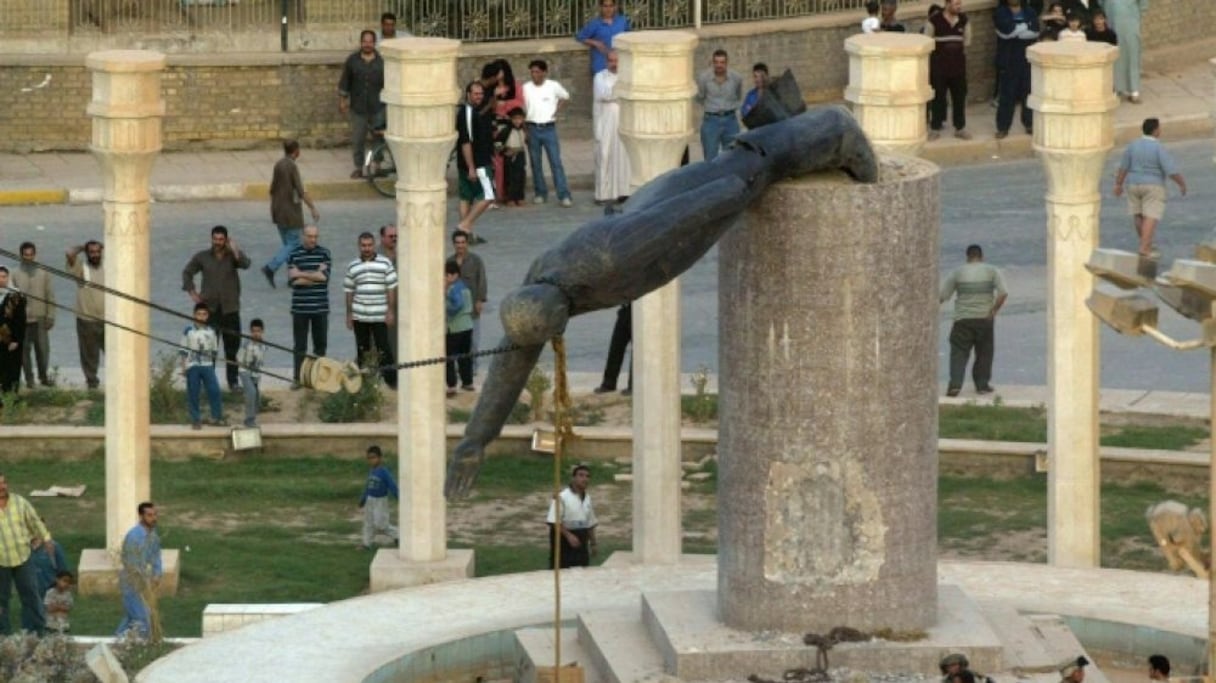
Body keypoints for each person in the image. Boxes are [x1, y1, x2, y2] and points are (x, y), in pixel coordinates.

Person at [445, 107, 878, 498]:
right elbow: (511, 363)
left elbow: (687, 210)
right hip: (656, 213)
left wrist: (738, 193)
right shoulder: (541, 287)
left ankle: (833, 130)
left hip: (683, 203)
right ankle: (780, 123)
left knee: (753, 165)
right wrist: (474, 441)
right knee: (743, 167)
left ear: (556, 317)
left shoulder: (609, 257)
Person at [182, 225, 250, 392]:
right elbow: (187, 272)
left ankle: (233, 382)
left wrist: (235, 249)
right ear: (211, 239)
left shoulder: (232, 257)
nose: (218, 243)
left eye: (221, 239)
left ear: (226, 239)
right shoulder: (203, 257)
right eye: (215, 239)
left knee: (232, 348)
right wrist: (192, 292)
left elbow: (246, 264)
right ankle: (208, 381)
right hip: (210, 311)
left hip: (230, 309)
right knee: (208, 348)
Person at [940, 244, 1007, 397]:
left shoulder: (957, 272)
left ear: (967, 257)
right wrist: (994, 311)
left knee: (959, 353)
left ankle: (955, 386)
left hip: (962, 319)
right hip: (984, 319)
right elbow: (1003, 293)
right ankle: (982, 385)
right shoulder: (992, 271)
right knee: (984, 353)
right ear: (982, 257)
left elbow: (942, 296)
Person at [1113, 118, 1187, 257]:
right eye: (1159, 128)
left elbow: (1123, 167)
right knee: (1151, 216)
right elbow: (1170, 170)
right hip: (1153, 185)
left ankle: (1146, 243)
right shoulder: (1158, 148)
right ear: (1155, 131)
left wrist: (1118, 184)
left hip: (1133, 184)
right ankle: (1144, 247)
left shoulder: (1133, 145)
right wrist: (1181, 184)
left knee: (1138, 214)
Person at [344, 231, 398, 390]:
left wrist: (390, 311)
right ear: (359, 246)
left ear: (374, 245)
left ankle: (391, 382)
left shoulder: (385, 263)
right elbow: (349, 291)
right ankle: (363, 383)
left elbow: (391, 288)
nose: (366, 248)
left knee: (384, 349)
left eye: (369, 245)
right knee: (362, 349)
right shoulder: (353, 265)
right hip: (360, 315)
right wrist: (349, 314)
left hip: (379, 315)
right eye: (363, 245)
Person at [263, 139, 320, 289]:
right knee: (294, 244)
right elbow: (301, 191)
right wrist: (312, 208)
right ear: (296, 151)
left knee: (288, 246)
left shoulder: (278, 165)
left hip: (277, 211)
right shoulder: (292, 167)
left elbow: (272, 188)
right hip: (291, 213)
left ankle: (293, 276)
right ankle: (271, 267)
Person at [0, 473, 53, 635]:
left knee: (31, 596)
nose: (2, 487)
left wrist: (46, 539)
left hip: (23, 557)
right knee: (2, 601)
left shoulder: (20, 502)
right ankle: (3, 636)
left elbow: (35, 521)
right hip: (1, 562)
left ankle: (38, 632)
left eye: (4, 482)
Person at [523, 59, 573, 207]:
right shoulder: (526, 88)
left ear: (544, 72)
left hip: (549, 128)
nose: (534, 75)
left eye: (537, 71)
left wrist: (556, 110)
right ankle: (540, 192)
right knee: (536, 163)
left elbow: (566, 96)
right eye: (532, 72)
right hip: (532, 127)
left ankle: (564, 194)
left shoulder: (553, 86)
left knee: (556, 162)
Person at [288, 225, 332, 387]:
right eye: (310, 236)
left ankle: (318, 378)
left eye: (315, 236)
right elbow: (293, 282)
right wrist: (315, 275)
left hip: (320, 308)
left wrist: (300, 273)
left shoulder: (324, 253)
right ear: (303, 236)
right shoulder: (294, 254)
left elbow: (324, 278)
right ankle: (298, 378)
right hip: (300, 308)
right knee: (300, 345)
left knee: (320, 345)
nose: (313, 239)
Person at [338, 30, 385, 179]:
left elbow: (389, 85)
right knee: (358, 139)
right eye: (365, 41)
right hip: (358, 109)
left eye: (370, 41)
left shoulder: (382, 62)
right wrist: (343, 100)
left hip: (378, 108)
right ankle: (359, 167)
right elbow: (345, 81)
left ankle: (376, 166)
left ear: (374, 43)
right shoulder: (352, 61)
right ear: (361, 42)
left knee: (378, 139)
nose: (367, 44)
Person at [456, 80, 497, 240]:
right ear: (468, 94)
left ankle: (465, 235)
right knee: (488, 195)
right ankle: (464, 226)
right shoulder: (467, 112)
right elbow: (466, 141)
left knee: (466, 196)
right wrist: (471, 167)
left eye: (481, 94)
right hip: (477, 163)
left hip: (468, 162)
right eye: (476, 94)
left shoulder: (472, 111)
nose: (479, 97)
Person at [926, 0, 972, 141]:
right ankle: (935, 128)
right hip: (939, 68)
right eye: (956, 4)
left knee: (959, 97)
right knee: (938, 98)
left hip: (958, 68)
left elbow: (967, 41)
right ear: (947, 4)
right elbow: (927, 42)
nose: (959, 6)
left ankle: (960, 128)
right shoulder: (933, 21)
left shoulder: (964, 20)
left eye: (960, 4)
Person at [11, 242, 55, 389]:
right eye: (26, 255)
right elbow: (11, 298)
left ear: (35, 255)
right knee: (24, 352)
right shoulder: (15, 274)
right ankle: (29, 380)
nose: (29, 257)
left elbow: (50, 296)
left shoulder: (44, 273)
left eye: (31, 254)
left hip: (41, 318)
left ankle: (43, 377)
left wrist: (51, 316)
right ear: (21, 255)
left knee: (43, 350)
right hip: (23, 320)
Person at [993, 0, 1039, 139]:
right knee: (1007, 96)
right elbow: (1005, 32)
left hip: (1027, 60)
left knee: (1028, 94)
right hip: (1008, 61)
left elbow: (1035, 32)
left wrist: (1016, 30)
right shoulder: (1000, 12)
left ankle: (1029, 124)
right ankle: (1003, 127)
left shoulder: (1029, 11)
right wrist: (1025, 26)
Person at [116, 502, 162, 639]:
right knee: (142, 618)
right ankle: (138, 643)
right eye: (149, 515)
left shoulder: (153, 535)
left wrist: (157, 574)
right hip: (132, 581)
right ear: (141, 516)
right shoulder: (134, 536)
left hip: (143, 580)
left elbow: (155, 556)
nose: (153, 518)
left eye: (155, 514)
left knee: (133, 617)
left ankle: (117, 639)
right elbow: (130, 562)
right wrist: (141, 579)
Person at [447, 230, 488, 377]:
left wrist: (480, 300)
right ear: (453, 244)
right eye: (457, 243)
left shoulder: (476, 261)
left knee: (474, 341)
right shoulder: (449, 262)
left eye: (463, 242)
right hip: (455, 311)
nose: (460, 246)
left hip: (472, 309)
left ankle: (474, 368)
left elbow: (482, 281)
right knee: (456, 343)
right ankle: (460, 369)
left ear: (467, 243)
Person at [66, 241, 105, 390]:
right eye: (92, 252)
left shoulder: (108, 265)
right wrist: (82, 247)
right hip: (87, 319)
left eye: (97, 251)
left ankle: (119, 381)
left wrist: (104, 245)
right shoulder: (81, 268)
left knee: (115, 352)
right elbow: (69, 253)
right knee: (89, 354)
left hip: (109, 319)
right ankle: (92, 382)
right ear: (87, 254)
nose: (95, 254)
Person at [592, 51, 630, 204]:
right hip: (605, 122)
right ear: (607, 61)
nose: (614, 64)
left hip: (624, 121)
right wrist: (620, 93)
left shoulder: (627, 76)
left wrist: (618, 93)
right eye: (611, 60)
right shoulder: (600, 77)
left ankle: (623, 192)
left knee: (623, 156)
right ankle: (602, 195)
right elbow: (604, 95)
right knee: (605, 155)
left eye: (617, 61)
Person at [180, 302, 225, 429]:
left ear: (207, 316)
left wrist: (211, 367)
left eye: (204, 314)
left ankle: (216, 417)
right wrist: (183, 367)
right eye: (198, 314)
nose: (201, 317)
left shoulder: (211, 332)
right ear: (194, 315)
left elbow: (214, 351)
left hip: (207, 365)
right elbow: (183, 350)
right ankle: (196, 419)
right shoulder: (188, 330)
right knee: (193, 392)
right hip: (192, 365)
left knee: (214, 390)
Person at [695, 49, 744, 161]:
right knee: (710, 158)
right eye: (716, 62)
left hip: (730, 120)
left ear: (727, 63)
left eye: (722, 62)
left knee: (732, 156)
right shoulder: (704, 78)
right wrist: (712, 108)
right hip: (711, 121)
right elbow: (700, 97)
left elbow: (738, 95)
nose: (719, 65)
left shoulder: (736, 78)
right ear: (713, 63)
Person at [546, 464, 598, 568]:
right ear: (573, 478)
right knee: (563, 571)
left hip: (581, 540)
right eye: (581, 475)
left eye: (587, 476)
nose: (585, 479)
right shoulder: (562, 497)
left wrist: (593, 543)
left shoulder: (587, 498)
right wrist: (569, 536)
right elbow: (554, 521)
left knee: (582, 570)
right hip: (564, 540)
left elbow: (590, 523)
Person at [358, 445, 399, 550]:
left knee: (381, 524)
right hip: (370, 500)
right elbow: (368, 487)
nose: (372, 460)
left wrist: (399, 497)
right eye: (369, 458)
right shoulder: (371, 472)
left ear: (380, 458)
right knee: (368, 523)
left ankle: (398, 536)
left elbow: (392, 485)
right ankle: (366, 544)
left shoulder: (384, 472)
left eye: (374, 457)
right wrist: (363, 499)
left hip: (380, 501)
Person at [445, 261, 475, 397]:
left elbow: (457, 304)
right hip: (467, 325)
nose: (444, 278)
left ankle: (451, 386)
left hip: (456, 327)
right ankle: (467, 383)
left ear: (454, 275)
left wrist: (448, 312)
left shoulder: (453, 288)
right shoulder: (465, 287)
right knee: (465, 356)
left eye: (446, 275)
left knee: (449, 357)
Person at [1106, 0, 1146, 103]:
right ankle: (1117, 88)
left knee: (1132, 56)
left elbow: (1143, 5)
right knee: (1115, 57)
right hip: (1113, 24)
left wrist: (1136, 19)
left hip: (1130, 24)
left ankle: (1134, 90)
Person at [576, 0, 629, 76]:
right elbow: (580, 36)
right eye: (605, 6)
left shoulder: (622, 21)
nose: (608, 9)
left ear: (615, 7)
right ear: (601, 7)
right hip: (601, 67)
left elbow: (628, 35)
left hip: (620, 66)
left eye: (611, 6)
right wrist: (595, 42)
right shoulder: (595, 23)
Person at [0, 266, 27, 398]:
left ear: (8, 278)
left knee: (12, 370)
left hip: (11, 341)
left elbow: (20, 320)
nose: (1, 280)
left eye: (4, 277)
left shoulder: (16, 296)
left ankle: (11, 398)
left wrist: (16, 340)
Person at [593, 302, 632, 395]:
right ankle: (608, 384)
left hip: (638, 309)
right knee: (615, 348)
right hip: (625, 309)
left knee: (637, 351)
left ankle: (633, 386)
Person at [236, 318, 266, 427]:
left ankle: (253, 414)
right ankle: (249, 420)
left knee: (256, 396)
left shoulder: (263, 346)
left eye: (258, 331)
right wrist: (246, 365)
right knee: (251, 393)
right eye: (253, 331)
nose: (255, 334)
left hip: (256, 374)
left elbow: (261, 360)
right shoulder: (246, 344)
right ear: (250, 331)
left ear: (262, 331)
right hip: (245, 372)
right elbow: (238, 358)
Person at [497, 107, 529, 206]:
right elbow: (497, 143)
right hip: (510, 156)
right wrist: (504, 151)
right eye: (515, 119)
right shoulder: (506, 131)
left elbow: (527, 141)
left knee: (520, 176)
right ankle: (509, 198)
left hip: (520, 155)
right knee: (510, 177)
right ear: (511, 119)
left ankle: (520, 197)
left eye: (520, 118)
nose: (517, 121)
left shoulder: (524, 130)